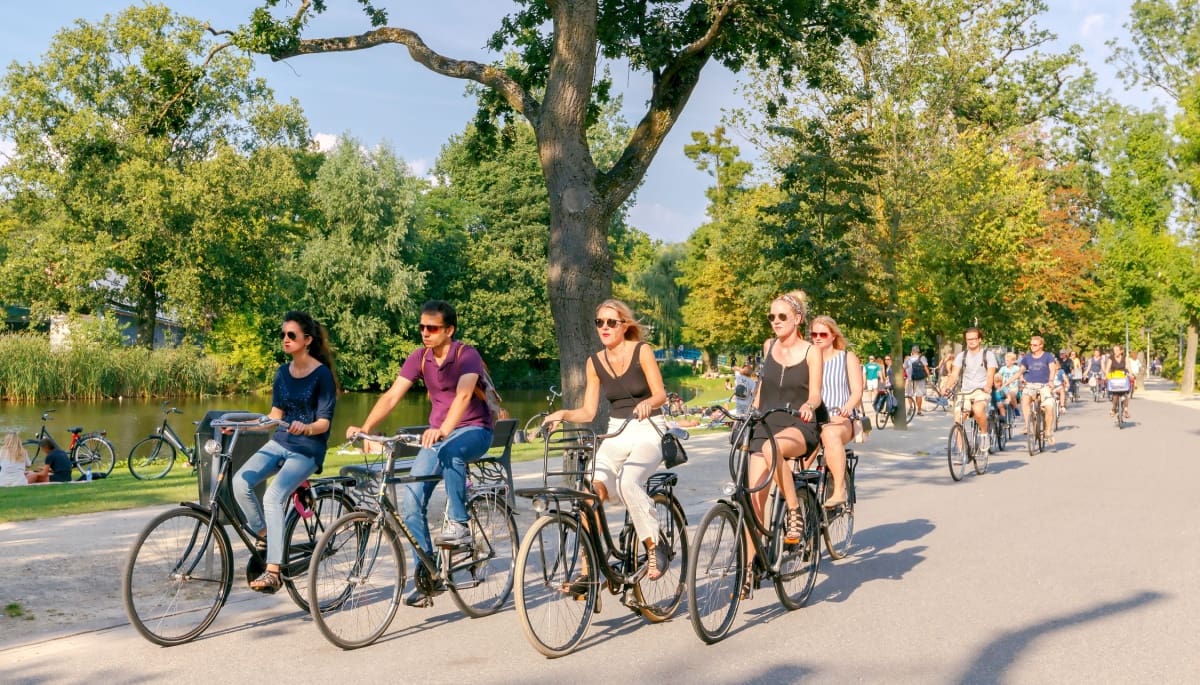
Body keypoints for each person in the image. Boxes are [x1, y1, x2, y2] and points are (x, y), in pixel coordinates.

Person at [346, 300, 494, 606]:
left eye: (433, 328)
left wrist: (443, 430)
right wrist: (366, 428)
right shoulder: (419, 357)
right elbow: (391, 397)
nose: (425, 332)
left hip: (474, 430)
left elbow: (465, 394)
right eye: (422, 327)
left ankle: (460, 523)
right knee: (411, 503)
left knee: (452, 450)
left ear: (449, 330)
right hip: (435, 437)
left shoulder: (466, 355)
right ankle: (428, 574)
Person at [542, 299, 670, 584]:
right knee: (590, 491)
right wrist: (562, 413)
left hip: (648, 428)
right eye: (599, 322)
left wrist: (649, 403)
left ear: (624, 325)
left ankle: (653, 545)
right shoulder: (594, 362)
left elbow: (660, 394)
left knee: (628, 482)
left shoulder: (642, 351)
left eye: (611, 322)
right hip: (616, 431)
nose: (605, 327)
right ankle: (588, 572)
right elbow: (588, 411)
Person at [233, 311, 338, 594]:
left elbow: (324, 423)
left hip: (307, 449)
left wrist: (305, 428)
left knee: (273, 495)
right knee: (239, 482)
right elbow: (274, 416)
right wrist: (241, 427)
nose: (285, 339)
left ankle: (273, 572)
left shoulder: (322, 375)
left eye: (291, 335)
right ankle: (266, 534)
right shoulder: (282, 373)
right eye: (283, 334)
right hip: (280, 441)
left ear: (307, 340)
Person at [744, 290, 824, 597]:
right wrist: (749, 413)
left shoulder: (811, 351)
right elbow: (762, 387)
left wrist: (809, 405)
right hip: (766, 423)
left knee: (771, 449)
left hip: (797, 423)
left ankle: (794, 511)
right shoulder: (768, 346)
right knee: (753, 499)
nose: (775, 322)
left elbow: (815, 393)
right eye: (771, 317)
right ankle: (751, 566)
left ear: (797, 319)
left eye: (781, 317)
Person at [808, 316, 862, 506]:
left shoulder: (846, 357)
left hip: (841, 419)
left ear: (833, 336)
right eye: (813, 334)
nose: (818, 338)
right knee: (795, 462)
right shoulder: (807, 359)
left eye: (823, 334)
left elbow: (857, 391)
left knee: (829, 434)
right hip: (813, 420)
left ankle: (839, 490)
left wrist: (847, 407)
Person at [942, 328, 998, 454]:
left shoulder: (988, 355)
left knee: (978, 410)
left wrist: (988, 386)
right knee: (958, 417)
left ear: (979, 340)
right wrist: (947, 387)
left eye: (974, 339)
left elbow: (990, 374)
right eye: (968, 339)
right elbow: (954, 374)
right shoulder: (962, 356)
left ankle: (984, 435)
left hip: (981, 390)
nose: (971, 341)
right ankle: (962, 452)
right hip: (965, 392)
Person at [1019, 335, 1060, 449]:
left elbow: (1052, 369)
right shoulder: (1027, 358)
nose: (1032, 347)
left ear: (1041, 345)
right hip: (1030, 384)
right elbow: (1021, 369)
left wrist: (1051, 380)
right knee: (1025, 399)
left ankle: (1047, 432)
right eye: (1031, 345)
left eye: (1035, 345)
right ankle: (1028, 425)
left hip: (1044, 385)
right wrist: (1021, 378)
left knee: (1049, 406)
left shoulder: (1048, 357)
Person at [1103, 344, 1133, 420]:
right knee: (1115, 394)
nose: (1115, 352)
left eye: (1117, 350)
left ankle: (1126, 410)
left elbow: (1128, 367)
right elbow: (1107, 369)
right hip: (1114, 378)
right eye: (1114, 350)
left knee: (1125, 393)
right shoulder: (1111, 358)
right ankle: (1113, 409)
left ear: (1121, 351)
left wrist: (1131, 374)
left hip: (1123, 377)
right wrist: (1106, 375)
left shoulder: (1125, 358)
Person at [904, 346, 930, 415]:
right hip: (920, 378)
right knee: (919, 394)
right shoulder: (922, 358)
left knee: (909, 394)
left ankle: (911, 407)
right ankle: (919, 410)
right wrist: (928, 377)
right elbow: (926, 368)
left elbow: (904, 368)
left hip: (910, 379)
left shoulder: (908, 359)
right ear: (918, 351)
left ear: (912, 351)